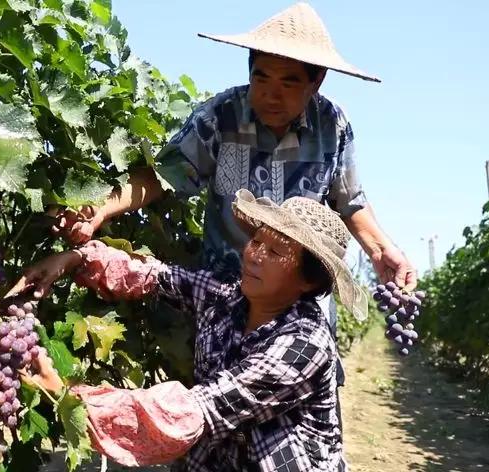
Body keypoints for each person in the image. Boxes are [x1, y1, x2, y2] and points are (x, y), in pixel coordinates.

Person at [51, 2, 416, 309]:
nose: (271, 95)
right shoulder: (220, 116)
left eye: (288, 83)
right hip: (224, 294)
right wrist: (101, 206)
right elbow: (163, 177)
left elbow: (349, 201)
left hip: (298, 300)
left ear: (316, 80)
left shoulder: (332, 126)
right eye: (262, 79)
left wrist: (382, 251)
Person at [10, 189, 366, 471]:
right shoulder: (228, 295)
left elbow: (195, 409)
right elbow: (155, 276)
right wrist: (77, 258)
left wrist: (71, 399)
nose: (255, 255)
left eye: (275, 251)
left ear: (307, 281)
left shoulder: (304, 345)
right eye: (257, 241)